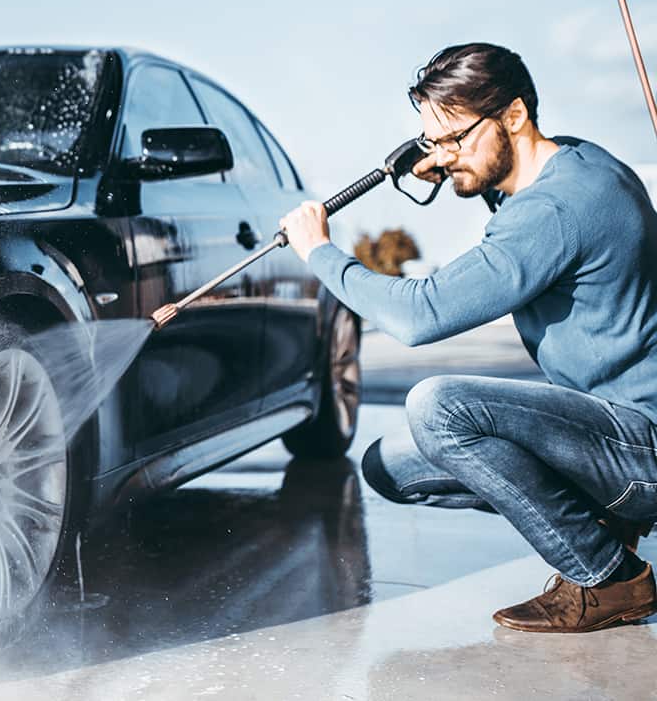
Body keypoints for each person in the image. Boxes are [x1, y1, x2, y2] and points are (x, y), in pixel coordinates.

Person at [279, 42, 657, 633]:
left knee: (440, 409)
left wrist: (321, 253)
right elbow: (525, 216)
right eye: (433, 140)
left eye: (454, 138)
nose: (443, 155)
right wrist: (465, 166)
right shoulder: (578, 163)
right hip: (610, 429)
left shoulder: (557, 210)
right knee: (388, 466)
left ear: (513, 116)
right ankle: (600, 519)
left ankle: (608, 577)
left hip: (641, 448)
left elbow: (419, 315)